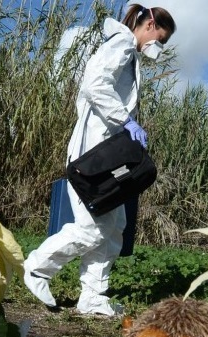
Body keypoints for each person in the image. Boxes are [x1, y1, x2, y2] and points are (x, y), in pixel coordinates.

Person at [22, 5, 175, 317]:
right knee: (92, 228)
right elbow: (95, 85)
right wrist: (125, 121)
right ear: (148, 24)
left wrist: (126, 127)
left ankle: (93, 296)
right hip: (91, 154)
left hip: (107, 153)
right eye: (159, 39)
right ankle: (37, 269)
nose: (158, 47)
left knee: (114, 225)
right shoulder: (120, 44)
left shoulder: (129, 54)